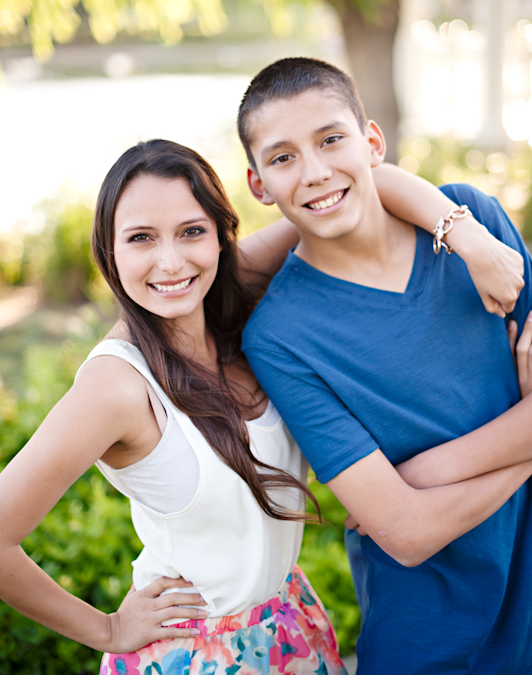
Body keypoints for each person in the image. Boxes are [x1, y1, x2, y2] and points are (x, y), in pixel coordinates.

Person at [0, 138, 523, 674]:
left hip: (287, 627)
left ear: (221, 237)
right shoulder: (116, 384)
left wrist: (470, 240)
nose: (171, 262)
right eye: (140, 238)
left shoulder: (233, 304)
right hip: (191, 653)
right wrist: (107, 629)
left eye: (192, 231)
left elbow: (368, 183)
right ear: (109, 252)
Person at [239, 57, 532, 674]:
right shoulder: (279, 337)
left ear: (372, 142)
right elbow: (406, 533)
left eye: (331, 139)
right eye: (283, 157)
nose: (315, 172)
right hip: (432, 643)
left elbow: (405, 507)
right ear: (259, 184)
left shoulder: (470, 221)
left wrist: (428, 471)